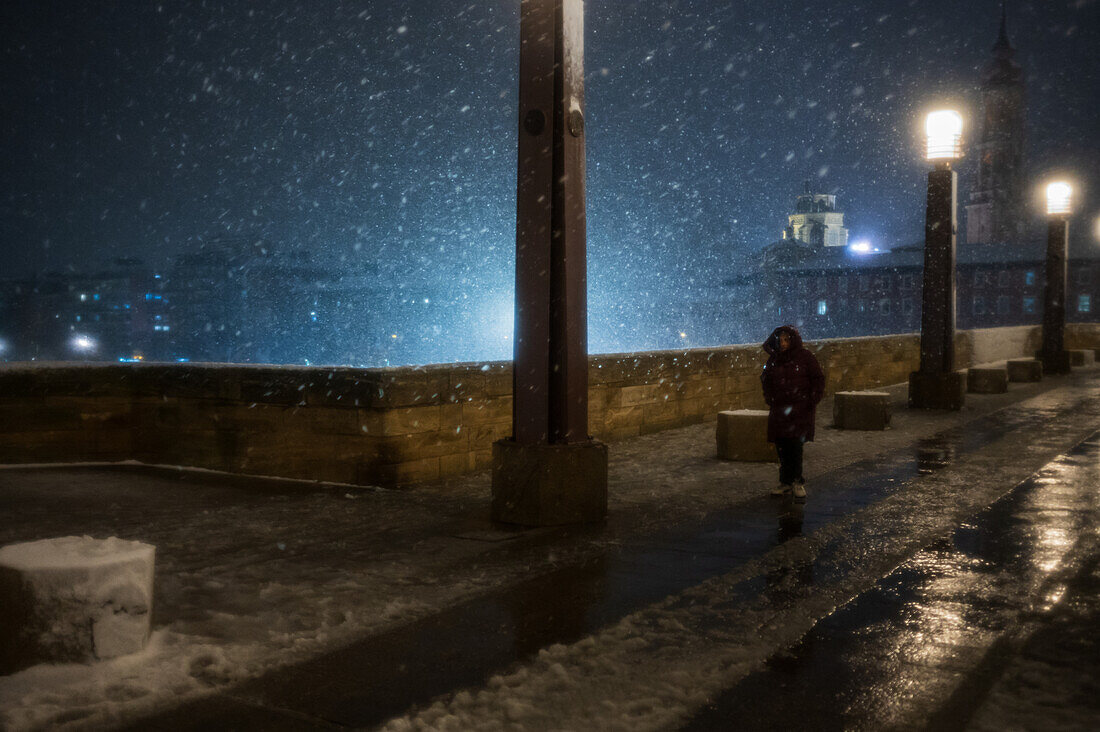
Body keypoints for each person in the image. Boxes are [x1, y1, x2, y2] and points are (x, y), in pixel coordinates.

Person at [760, 325, 825, 501]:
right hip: (780, 409)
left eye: (786, 340)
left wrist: (812, 400)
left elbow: (818, 379)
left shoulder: (805, 358)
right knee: (782, 446)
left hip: (799, 409)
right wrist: (770, 398)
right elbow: (765, 379)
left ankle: (797, 481)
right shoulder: (774, 359)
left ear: (793, 340)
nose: (782, 343)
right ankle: (786, 482)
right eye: (780, 340)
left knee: (795, 446)